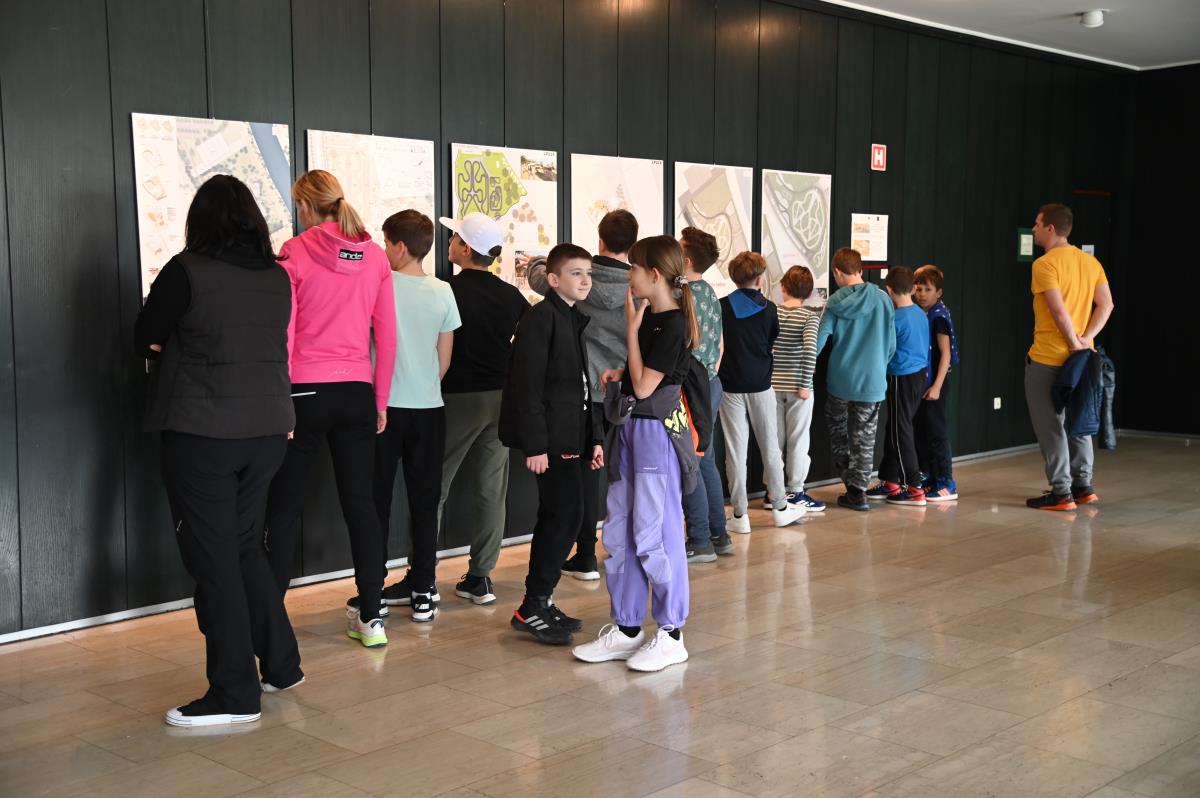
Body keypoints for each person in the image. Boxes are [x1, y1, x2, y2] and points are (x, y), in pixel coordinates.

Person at [137, 174, 303, 726]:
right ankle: (281, 664)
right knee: (243, 547)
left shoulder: (185, 271)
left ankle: (234, 694)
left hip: (204, 431)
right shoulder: (277, 277)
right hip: (269, 430)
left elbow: (145, 337)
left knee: (215, 561)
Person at [264, 169, 396, 649]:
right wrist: (379, 400)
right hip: (356, 391)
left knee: (283, 507)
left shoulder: (293, 252)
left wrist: (280, 400)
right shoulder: (375, 256)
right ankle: (372, 617)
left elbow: (283, 334)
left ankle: (270, 620)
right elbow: (388, 335)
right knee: (362, 505)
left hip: (303, 393)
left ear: (304, 206)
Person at [571, 235, 698, 672]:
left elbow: (646, 387)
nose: (630, 276)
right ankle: (627, 629)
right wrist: (620, 371)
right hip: (630, 430)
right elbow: (641, 375)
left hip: (655, 436)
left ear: (654, 274)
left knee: (656, 532)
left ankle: (671, 633)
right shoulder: (652, 318)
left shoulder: (672, 323)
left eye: (635, 269)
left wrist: (629, 331)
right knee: (621, 531)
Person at [526, 210, 639, 582]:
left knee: (583, 474)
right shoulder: (636, 286)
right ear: (632, 244)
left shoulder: (580, 278)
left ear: (600, 241)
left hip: (582, 392)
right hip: (623, 390)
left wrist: (540, 262)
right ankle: (623, 547)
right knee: (619, 471)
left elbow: (539, 275)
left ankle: (586, 554)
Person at [502, 244, 604, 645]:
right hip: (552, 440)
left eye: (588, 273)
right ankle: (533, 604)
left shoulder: (572, 318)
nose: (585, 280)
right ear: (554, 279)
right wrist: (535, 445)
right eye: (576, 273)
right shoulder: (541, 318)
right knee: (564, 516)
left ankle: (538, 601)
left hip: (572, 437)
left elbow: (582, 387)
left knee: (563, 516)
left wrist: (594, 438)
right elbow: (526, 386)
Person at [368, 210, 461, 622]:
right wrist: (423, 383)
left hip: (382, 410)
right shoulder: (443, 291)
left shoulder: (379, 285)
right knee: (425, 502)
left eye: (386, 242)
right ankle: (424, 589)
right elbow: (445, 359)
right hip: (429, 410)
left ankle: (372, 592)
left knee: (376, 502)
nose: (384, 249)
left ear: (400, 247)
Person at [432, 213, 528, 604]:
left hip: (456, 399)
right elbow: (526, 341)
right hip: (500, 399)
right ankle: (480, 576)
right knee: (491, 489)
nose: (449, 242)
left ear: (466, 248)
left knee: (433, 487)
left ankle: (422, 577)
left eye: (454, 237)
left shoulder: (445, 290)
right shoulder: (511, 296)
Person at [1024, 203, 1114, 510]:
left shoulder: (1045, 264)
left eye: (1037, 224)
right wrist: (1085, 340)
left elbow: (1058, 310)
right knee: (1079, 420)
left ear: (1050, 228)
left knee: (1050, 426)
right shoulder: (1090, 262)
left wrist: (1074, 341)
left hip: (1048, 358)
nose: (1033, 229)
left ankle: (1061, 492)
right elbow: (1106, 305)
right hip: (1082, 359)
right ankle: (1083, 486)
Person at [717, 251, 806, 532]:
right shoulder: (770, 309)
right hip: (761, 385)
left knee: (735, 452)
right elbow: (771, 341)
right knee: (770, 448)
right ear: (760, 279)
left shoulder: (721, 306)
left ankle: (739, 515)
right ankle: (780, 507)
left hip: (729, 386)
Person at [815, 247, 895, 511]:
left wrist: (803, 368)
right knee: (865, 438)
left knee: (838, 430)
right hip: (873, 381)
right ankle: (858, 491)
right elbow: (891, 345)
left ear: (837, 272)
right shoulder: (883, 299)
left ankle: (849, 483)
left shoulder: (834, 303)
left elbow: (819, 341)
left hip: (841, 380)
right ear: (860, 270)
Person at [679, 226, 734, 563]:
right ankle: (719, 535)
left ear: (686, 259)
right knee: (705, 459)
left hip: (691, 389)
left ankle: (699, 540)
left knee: (692, 463)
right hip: (711, 384)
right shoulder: (710, 292)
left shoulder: (683, 295)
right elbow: (720, 345)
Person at [866, 267, 930, 506]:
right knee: (895, 427)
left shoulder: (896, 319)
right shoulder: (920, 313)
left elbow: (886, 349)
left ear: (889, 289)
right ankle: (890, 480)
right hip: (918, 376)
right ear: (913, 288)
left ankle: (913, 487)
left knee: (900, 430)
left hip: (900, 377)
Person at [770, 266, 826, 512]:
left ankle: (773, 492)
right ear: (809, 292)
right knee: (798, 441)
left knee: (774, 442)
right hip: (797, 388)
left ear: (783, 287)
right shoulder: (809, 317)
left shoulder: (773, 313)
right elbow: (810, 349)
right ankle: (795, 491)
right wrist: (805, 384)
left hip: (771, 386)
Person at [912, 264, 960, 501]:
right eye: (919, 289)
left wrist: (937, 386)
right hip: (924, 383)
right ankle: (929, 475)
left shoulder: (938, 316)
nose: (922, 294)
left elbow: (946, 354)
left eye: (927, 290)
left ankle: (946, 480)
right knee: (922, 430)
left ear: (938, 292)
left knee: (936, 432)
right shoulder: (922, 312)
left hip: (934, 384)